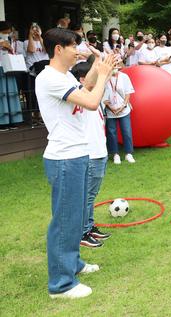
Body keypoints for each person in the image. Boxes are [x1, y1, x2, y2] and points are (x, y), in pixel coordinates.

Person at [35, 27, 116, 299]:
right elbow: (93, 101)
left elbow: (87, 86)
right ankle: (60, 284)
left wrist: (98, 67)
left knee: (76, 217)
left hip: (77, 154)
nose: (77, 51)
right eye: (73, 46)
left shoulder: (64, 75)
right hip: (64, 158)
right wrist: (104, 75)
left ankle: (73, 265)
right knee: (65, 221)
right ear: (59, 49)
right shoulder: (49, 79)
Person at [70, 60, 112, 249]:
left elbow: (105, 78)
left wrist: (106, 64)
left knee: (92, 194)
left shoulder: (94, 94)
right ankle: (82, 232)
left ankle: (89, 226)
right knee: (87, 195)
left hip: (100, 151)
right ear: (83, 79)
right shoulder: (81, 94)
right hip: (91, 153)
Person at [104, 62, 135, 164]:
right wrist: (110, 107)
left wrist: (123, 106)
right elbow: (102, 95)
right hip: (110, 110)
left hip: (123, 109)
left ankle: (128, 153)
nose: (115, 68)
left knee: (126, 131)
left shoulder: (124, 77)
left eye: (116, 65)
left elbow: (128, 92)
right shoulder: (104, 78)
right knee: (111, 133)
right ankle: (115, 154)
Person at [0, 21, 23, 128]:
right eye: (6, 31)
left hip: (9, 67)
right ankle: (2, 121)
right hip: (0, 68)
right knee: (2, 94)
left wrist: (9, 47)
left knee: (11, 93)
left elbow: (14, 52)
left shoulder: (10, 40)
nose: (8, 33)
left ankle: (15, 119)